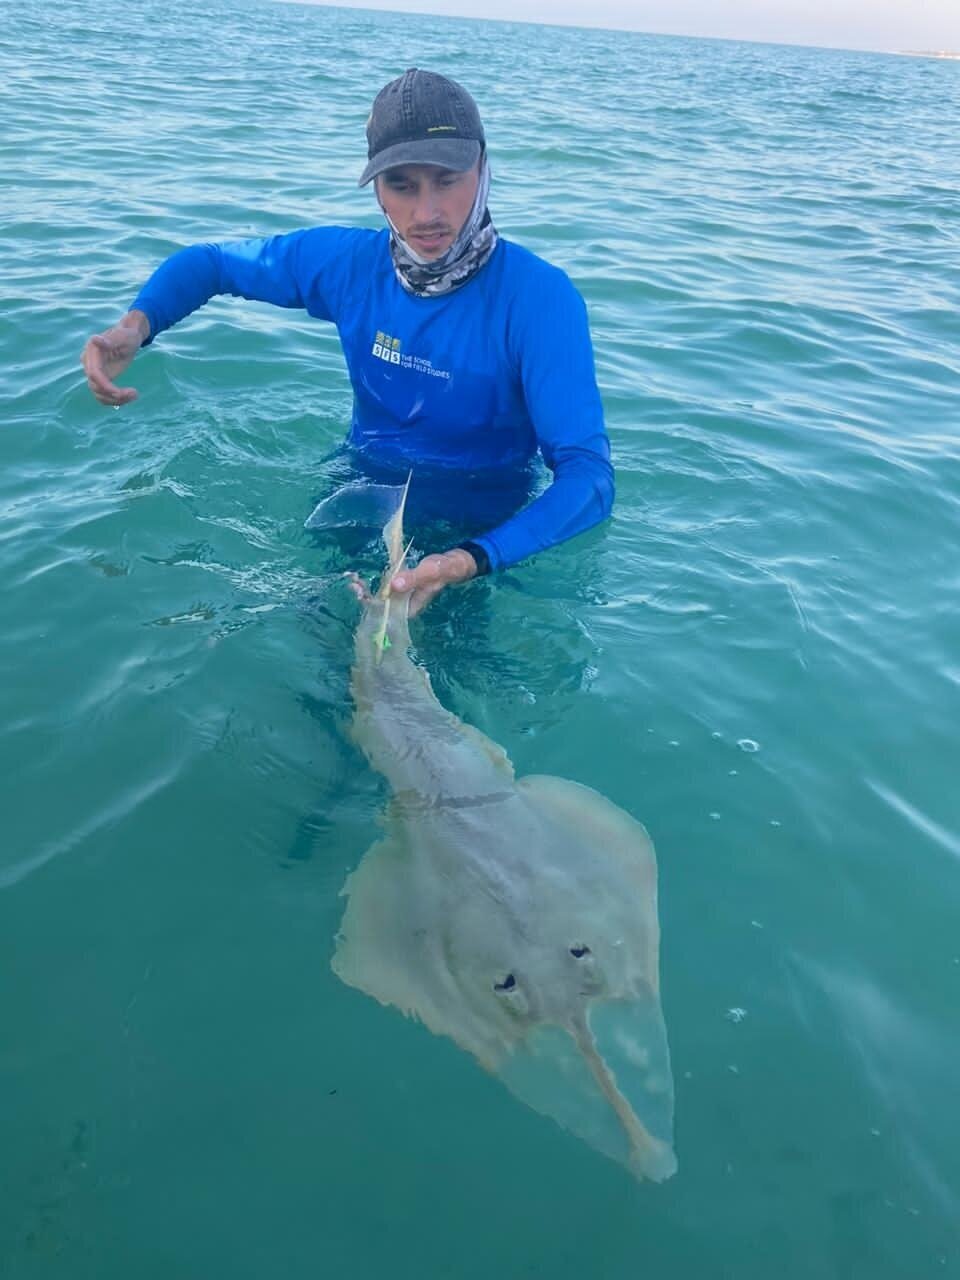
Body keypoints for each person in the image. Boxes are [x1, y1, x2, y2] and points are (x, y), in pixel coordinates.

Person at [81, 69, 614, 615]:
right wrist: (136, 327)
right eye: (402, 184)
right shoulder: (349, 266)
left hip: (481, 536)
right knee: (319, 665)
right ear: (377, 189)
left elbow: (589, 479)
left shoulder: (539, 300)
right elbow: (213, 263)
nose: (426, 212)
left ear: (483, 167)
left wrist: (471, 558)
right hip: (357, 500)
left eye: (448, 179)